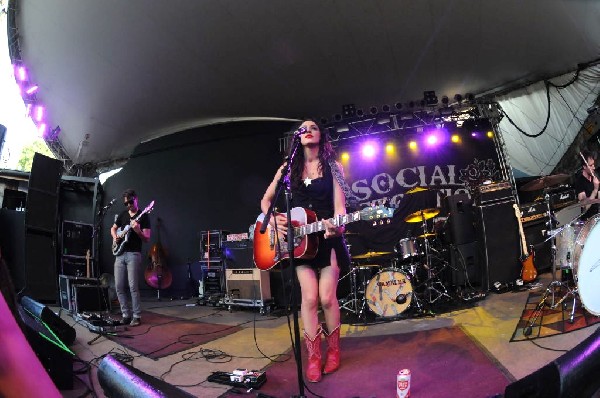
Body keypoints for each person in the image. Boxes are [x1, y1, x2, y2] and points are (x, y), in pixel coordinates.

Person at [260, 119, 351, 383]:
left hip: (327, 240)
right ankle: (313, 356)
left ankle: (333, 351)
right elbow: (266, 200)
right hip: (300, 245)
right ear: (297, 138)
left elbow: (340, 207)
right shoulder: (287, 170)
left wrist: (338, 226)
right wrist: (273, 218)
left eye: (313, 127)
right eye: (303, 128)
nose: (308, 130)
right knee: (309, 299)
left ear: (322, 135)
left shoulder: (335, 167)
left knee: (326, 298)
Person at [111, 189, 151, 326]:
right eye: (126, 203)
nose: (128, 205)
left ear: (136, 199)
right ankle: (125, 315)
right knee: (118, 286)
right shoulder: (122, 215)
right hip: (119, 254)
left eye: (130, 202)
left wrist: (138, 230)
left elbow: (146, 238)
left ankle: (137, 315)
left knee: (133, 286)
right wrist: (115, 237)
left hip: (133, 254)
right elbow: (113, 228)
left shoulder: (143, 216)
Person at [573, 149, 599, 220]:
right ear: (584, 167)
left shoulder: (595, 176)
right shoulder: (579, 182)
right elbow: (585, 208)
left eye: (594, 164)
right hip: (588, 220)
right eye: (591, 165)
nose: (594, 167)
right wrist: (595, 190)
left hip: (598, 215)